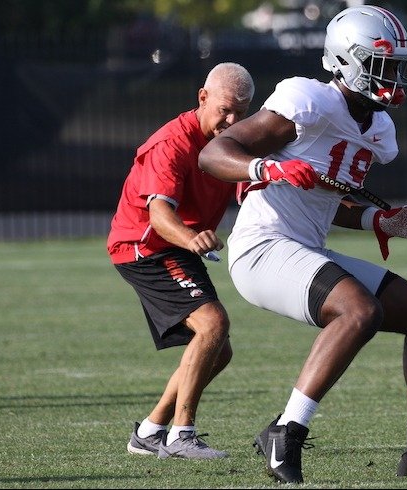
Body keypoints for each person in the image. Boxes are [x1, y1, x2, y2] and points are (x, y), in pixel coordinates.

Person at [198, 5, 407, 484]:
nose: (392, 76)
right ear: (347, 61)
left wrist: (378, 219)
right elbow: (214, 154)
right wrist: (266, 168)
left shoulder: (378, 129)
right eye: (381, 64)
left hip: (305, 249)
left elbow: (327, 198)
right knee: (359, 311)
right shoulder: (307, 101)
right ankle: (286, 431)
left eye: (396, 65)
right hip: (262, 248)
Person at [106, 62, 254, 459]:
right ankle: (182, 436)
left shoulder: (232, 143)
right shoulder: (171, 143)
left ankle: (151, 432)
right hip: (146, 247)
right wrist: (192, 236)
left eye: (242, 112)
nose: (232, 120)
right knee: (213, 323)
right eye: (225, 109)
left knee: (217, 349)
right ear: (202, 98)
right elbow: (159, 216)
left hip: (177, 246)